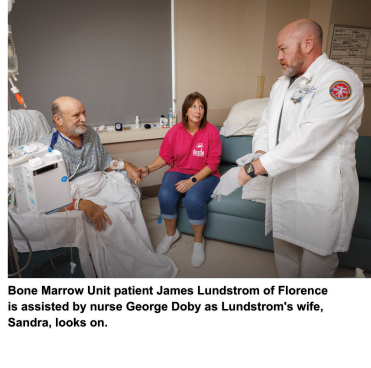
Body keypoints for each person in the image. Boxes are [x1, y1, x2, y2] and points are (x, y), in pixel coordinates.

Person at [237, 19, 364, 277]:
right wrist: (261, 153)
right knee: (284, 256)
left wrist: (256, 167)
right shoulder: (282, 84)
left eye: (283, 49)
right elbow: (265, 126)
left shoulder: (339, 80)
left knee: (316, 264)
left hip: (320, 191)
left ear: (307, 44)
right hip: (284, 185)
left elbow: (311, 136)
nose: (278, 56)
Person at [34, 96, 178, 278]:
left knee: (129, 199)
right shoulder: (46, 149)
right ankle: (128, 269)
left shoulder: (89, 133)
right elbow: (48, 196)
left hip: (99, 181)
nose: (84, 119)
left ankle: (142, 252)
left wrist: (125, 165)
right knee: (112, 218)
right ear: (58, 120)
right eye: (76, 115)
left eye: (84, 112)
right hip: (76, 193)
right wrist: (80, 204)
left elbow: (105, 161)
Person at [138, 92, 221, 268]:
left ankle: (198, 242)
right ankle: (171, 234)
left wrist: (192, 180)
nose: (197, 110)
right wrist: (147, 169)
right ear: (185, 111)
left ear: (204, 111)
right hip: (179, 170)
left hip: (206, 174)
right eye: (193, 106)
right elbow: (165, 157)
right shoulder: (175, 131)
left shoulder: (212, 131)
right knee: (166, 194)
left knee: (193, 198)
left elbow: (213, 163)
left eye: (201, 106)